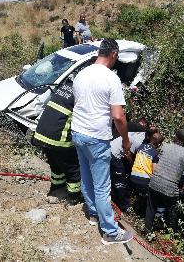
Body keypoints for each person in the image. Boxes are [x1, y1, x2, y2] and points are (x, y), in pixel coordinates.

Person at [70, 38, 134, 245]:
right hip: (96, 137)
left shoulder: (82, 73)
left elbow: (79, 102)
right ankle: (109, 232)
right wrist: (125, 141)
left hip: (78, 132)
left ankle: (93, 214)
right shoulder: (111, 79)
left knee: (86, 176)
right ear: (114, 54)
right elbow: (118, 117)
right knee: (102, 186)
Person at [30, 80, 82, 205]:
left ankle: (56, 189)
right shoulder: (82, 92)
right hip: (58, 138)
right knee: (73, 167)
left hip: (41, 134)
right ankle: (74, 197)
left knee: (56, 165)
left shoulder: (66, 86)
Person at [145, 128, 184, 235]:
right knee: (172, 210)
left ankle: (147, 230)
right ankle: (170, 235)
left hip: (154, 182)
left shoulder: (165, 146)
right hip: (170, 188)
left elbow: (157, 161)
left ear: (175, 137)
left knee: (151, 206)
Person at [108, 118, 149, 212]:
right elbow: (128, 155)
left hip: (117, 150)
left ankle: (119, 197)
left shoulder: (141, 135)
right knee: (119, 180)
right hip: (114, 153)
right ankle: (124, 205)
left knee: (121, 176)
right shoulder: (140, 141)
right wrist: (133, 167)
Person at [130, 131, 164, 212]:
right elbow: (154, 171)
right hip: (144, 180)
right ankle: (143, 211)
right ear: (159, 144)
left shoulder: (141, 146)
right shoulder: (155, 153)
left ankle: (136, 205)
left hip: (133, 176)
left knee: (140, 193)